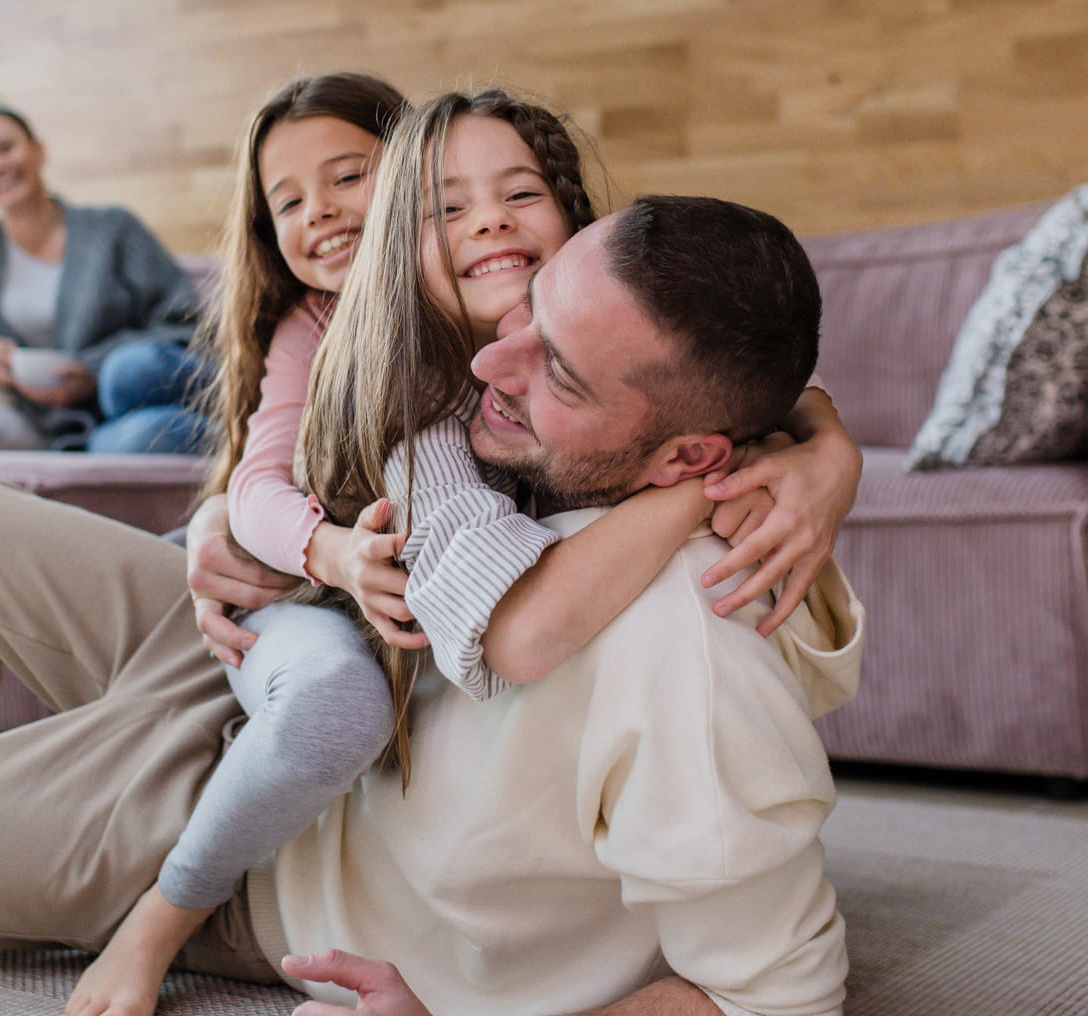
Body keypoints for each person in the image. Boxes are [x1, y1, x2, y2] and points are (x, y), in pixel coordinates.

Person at [0, 192, 862, 1016]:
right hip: (282, 648)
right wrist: (826, 441)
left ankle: (15, 812)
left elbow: (777, 1000)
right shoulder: (666, 442)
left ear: (691, 460)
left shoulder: (700, 644)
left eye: (559, 373)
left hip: (250, 846)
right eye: (528, 313)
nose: (493, 361)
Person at [68, 86, 835, 1015]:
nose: (490, 367)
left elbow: (750, 374)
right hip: (280, 643)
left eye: (350, 177)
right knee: (318, 688)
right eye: (443, 207)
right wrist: (305, 544)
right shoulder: (405, 401)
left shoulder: (698, 535)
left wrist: (823, 448)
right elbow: (279, 494)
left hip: (316, 777)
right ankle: (156, 904)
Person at [0, 105, 210, 453]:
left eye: (5, 148)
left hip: (143, 383)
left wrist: (92, 372)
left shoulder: (113, 228)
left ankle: (245, 405)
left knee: (126, 371)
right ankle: (248, 440)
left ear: (39, 151)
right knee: (147, 437)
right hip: (81, 429)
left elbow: (185, 321)